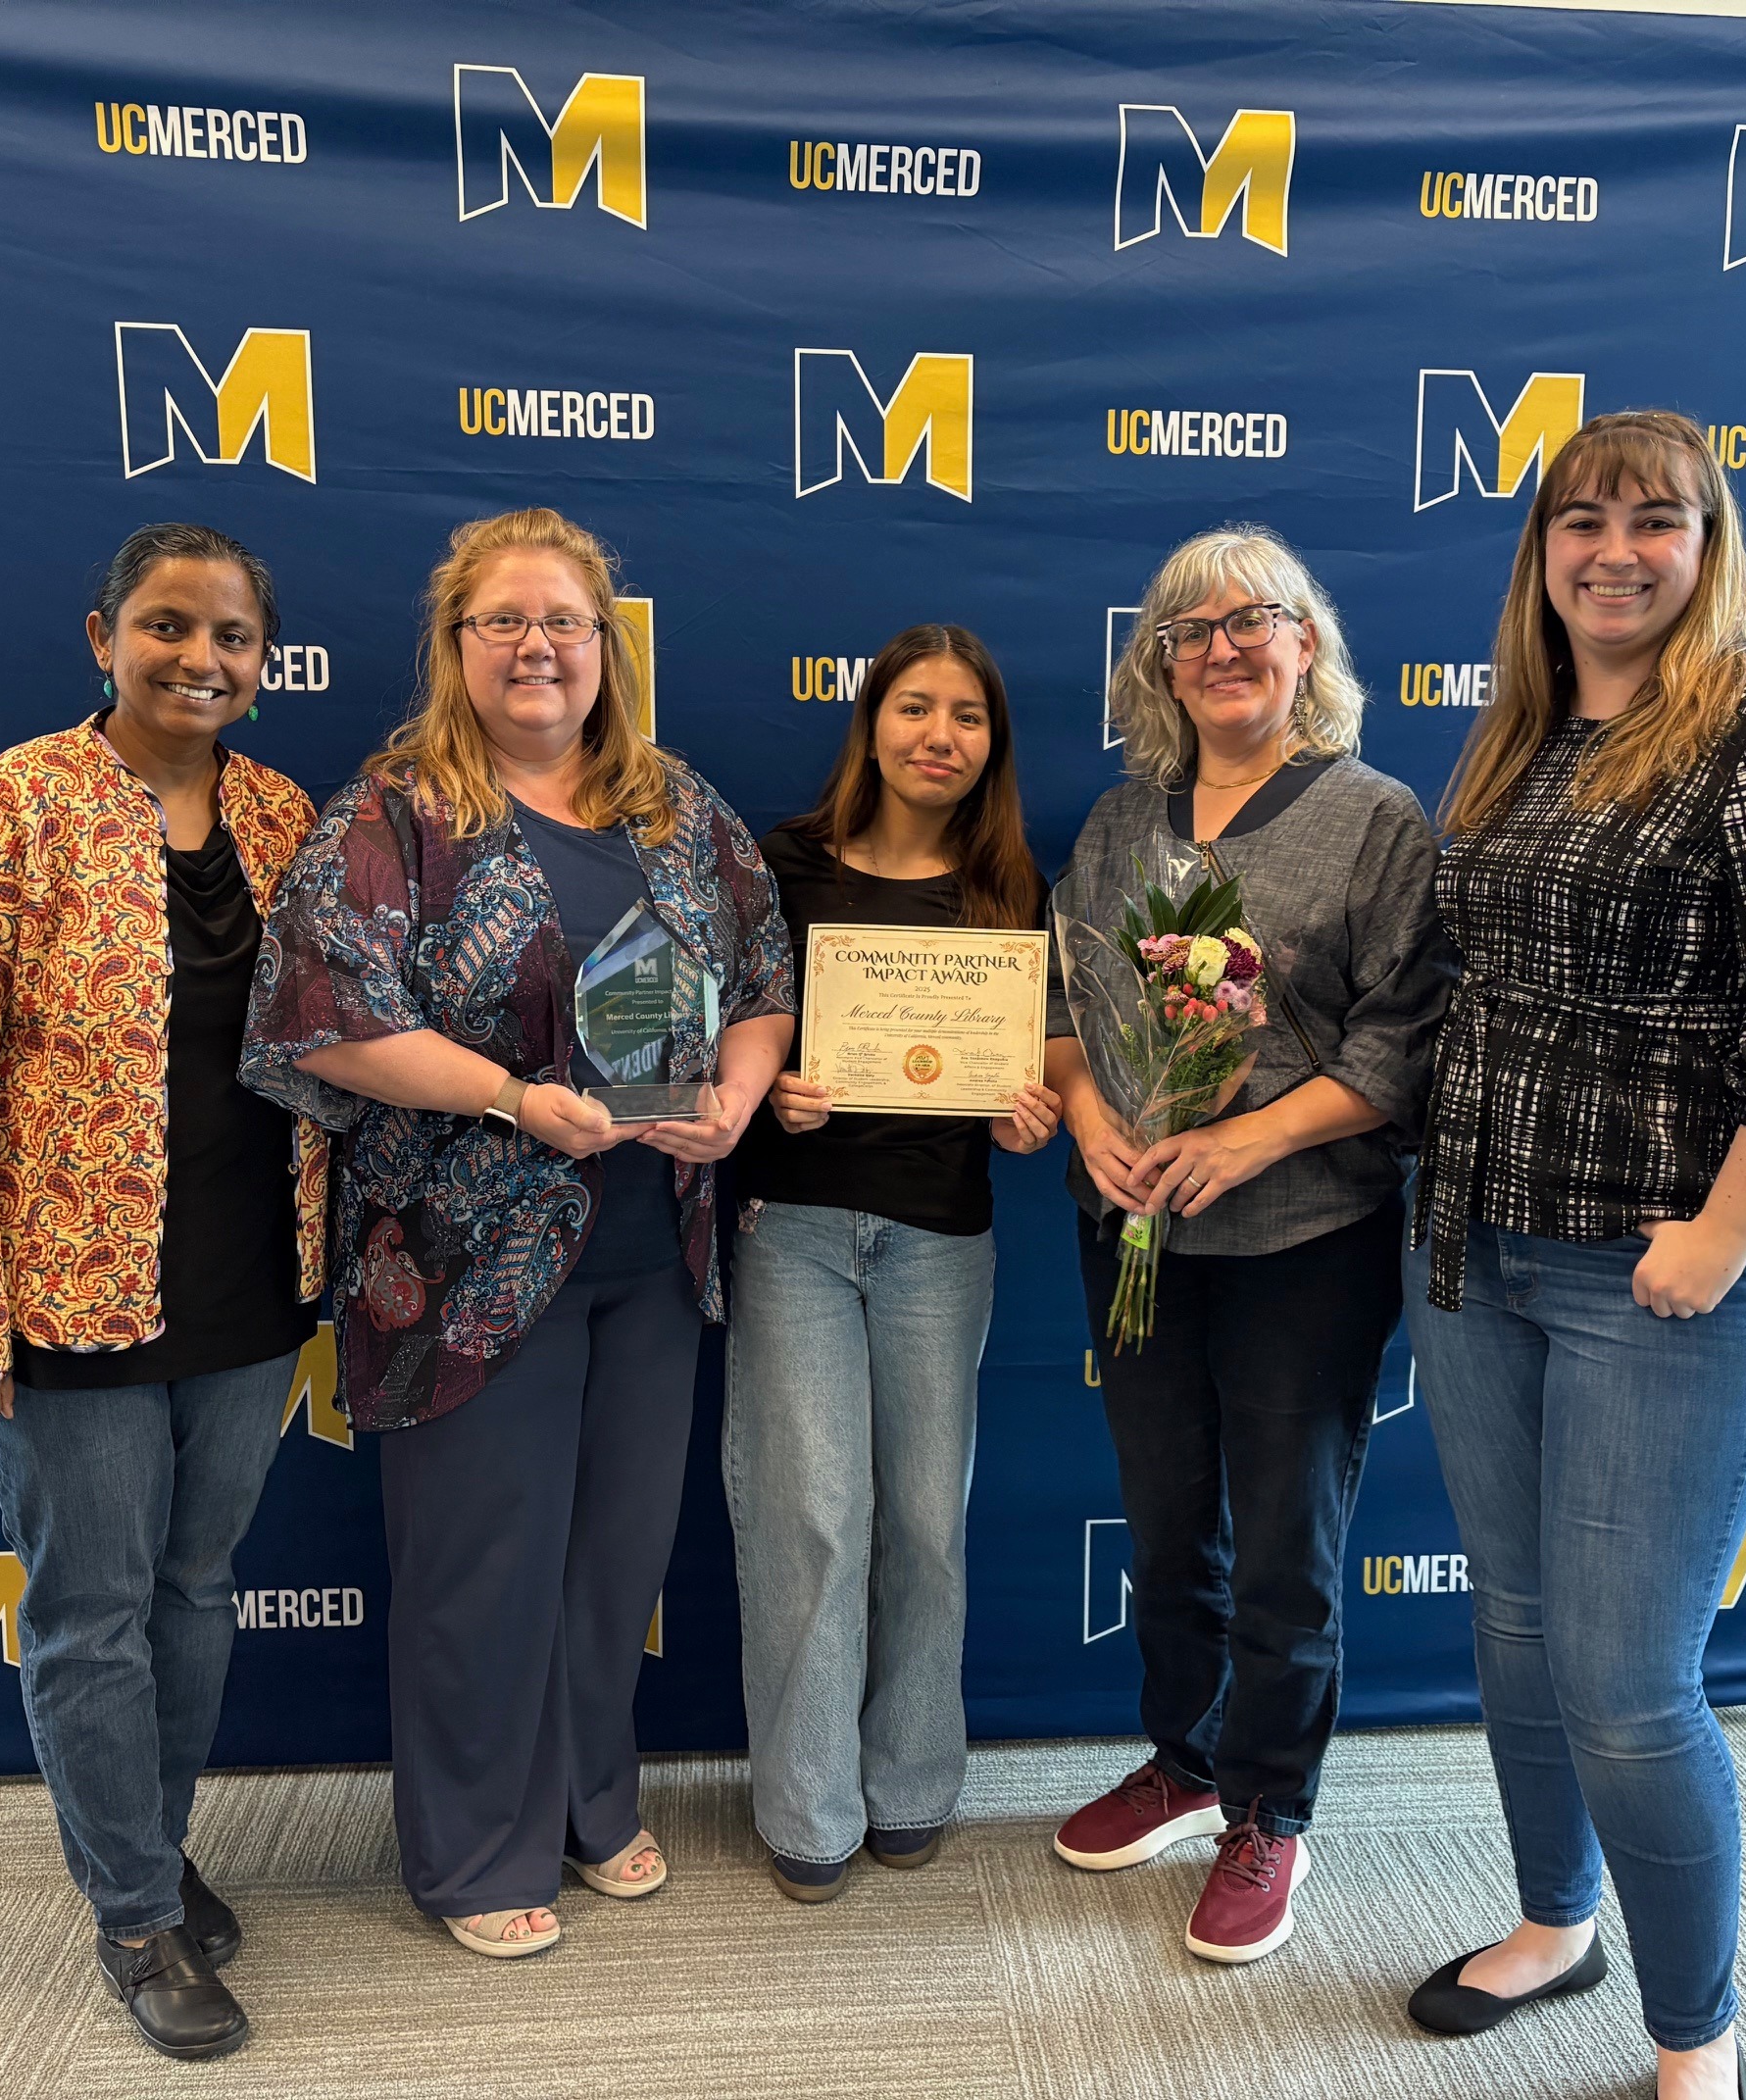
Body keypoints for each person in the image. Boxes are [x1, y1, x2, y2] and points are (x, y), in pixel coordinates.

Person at [1401, 412, 1746, 2100]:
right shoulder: (1525, 733)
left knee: (1625, 1682)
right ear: (1539, 548)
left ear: (1709, 544)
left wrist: (1721, 1233)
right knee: (1520, 1629)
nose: (1613, 551)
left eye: (1654, 519)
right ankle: (1556, 1923)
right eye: (1581, 519)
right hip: (1478, 1253)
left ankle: (1700, 2039)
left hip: (1664, 1283)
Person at [240, 507, 795, 1962]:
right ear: (455, 645)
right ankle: (477, 1846)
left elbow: (763, 976)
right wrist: (509, 1097)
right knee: (482, 1567)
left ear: (606, 644)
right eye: (504, 621)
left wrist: (736, 1100)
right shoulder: (395, 815)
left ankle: (592, 1801)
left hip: (654, 1252)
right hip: (462, 1268)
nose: (537, 646)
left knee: (614, 1559)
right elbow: (322, 1018)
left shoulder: (678, 808)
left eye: (563, 621)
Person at [0, 523, 324, 2061]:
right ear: (102, 637)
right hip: (61, 1295)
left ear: (262, 661)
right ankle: (133, 1915)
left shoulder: (281, 816)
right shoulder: (3, 813)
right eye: (167, 626)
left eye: (231, 636)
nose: (199, 658)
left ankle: (153, 1846)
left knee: (193, 1589)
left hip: (248, 1276)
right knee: (91, 1615)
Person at [1044, 524, 1453, 1964]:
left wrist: (1249, 1138)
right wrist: (1091, 1114)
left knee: (1285, 1543)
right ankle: (1186, 1758)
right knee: (1168, 1527)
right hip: (1136, 1232)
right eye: (1190, 631)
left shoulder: (1375, 819)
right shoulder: (1119, 825)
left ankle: (1271, 1805)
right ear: (1160, 667)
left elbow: (1403, 1039)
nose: (1222, 648)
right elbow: (1063, 1003)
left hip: (1304, 1239)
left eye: (1251, 621)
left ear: (1305, 644)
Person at [724, 625, 1063, 1903]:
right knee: (811, 1518)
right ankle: (808, 1808)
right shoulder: (784, 865)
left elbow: (1035, 1062)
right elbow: (731, 1034)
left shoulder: (1013, 885)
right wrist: (773, 1090)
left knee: (925, 1522)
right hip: (796, 1228)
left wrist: (1027, 1115)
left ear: (992, 745)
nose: (940, 735)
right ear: (870, 725)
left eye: (968, 716)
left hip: (940, 1238)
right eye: (915, 707)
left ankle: (913, 1782)